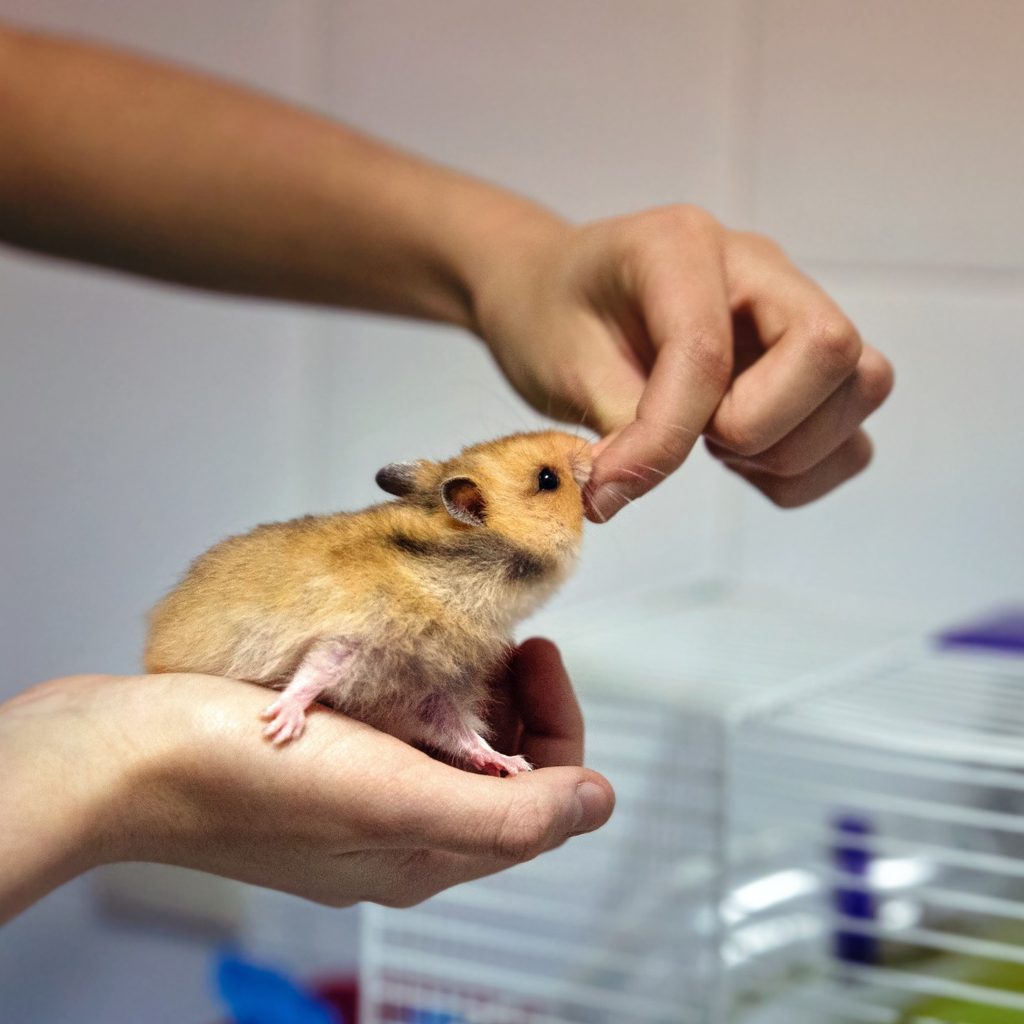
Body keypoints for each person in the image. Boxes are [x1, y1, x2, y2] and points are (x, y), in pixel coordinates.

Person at [0, 23, 892, 923]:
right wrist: (96, 764)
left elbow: (428, 698)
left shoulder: (470, 605)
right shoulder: (405, 584)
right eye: (547, 482)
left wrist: (512, 259)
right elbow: (347, 647)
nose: (579, 468)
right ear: (471, 512)